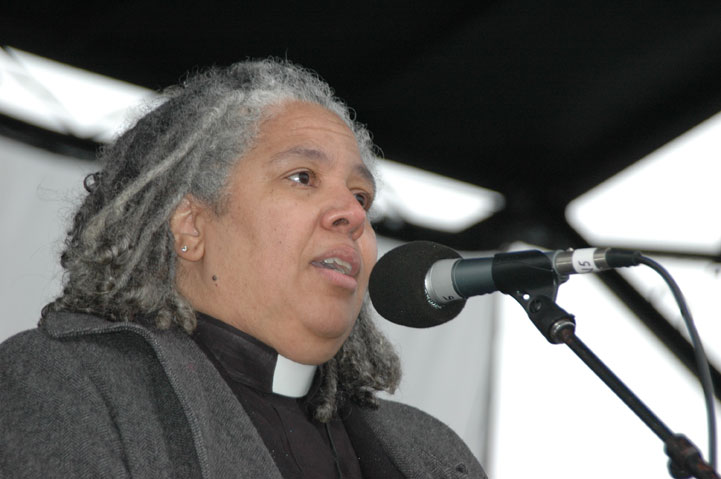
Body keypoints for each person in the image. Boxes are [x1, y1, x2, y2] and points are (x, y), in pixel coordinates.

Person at [0, 59, 487, 478]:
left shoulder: (434, 453)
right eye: (303, 177)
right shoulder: (68, 382)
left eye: (361, 197)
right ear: (191, 227)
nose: (353, 214)